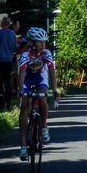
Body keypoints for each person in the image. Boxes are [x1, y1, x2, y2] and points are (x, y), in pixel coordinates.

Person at [18, 27, 58, 160]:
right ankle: (23, 146)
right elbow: (22, 73)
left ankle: (44, 125)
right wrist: (21, 90)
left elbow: (51, 72)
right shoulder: (26, 54)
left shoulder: (46, 53)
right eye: (40, 42)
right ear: (32, 43)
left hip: (40, 77)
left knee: (42, 99)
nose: (43, 44)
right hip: (28, 78)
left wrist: (55, 89)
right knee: (24, 108)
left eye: (44, 42)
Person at [0, 16, 16, 109]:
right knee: (8, 81)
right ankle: (8, 102)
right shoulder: (12, 33)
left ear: (1, 23)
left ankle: (0, 103)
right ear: (9, 24)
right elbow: (14, 47)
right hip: (8, 60)